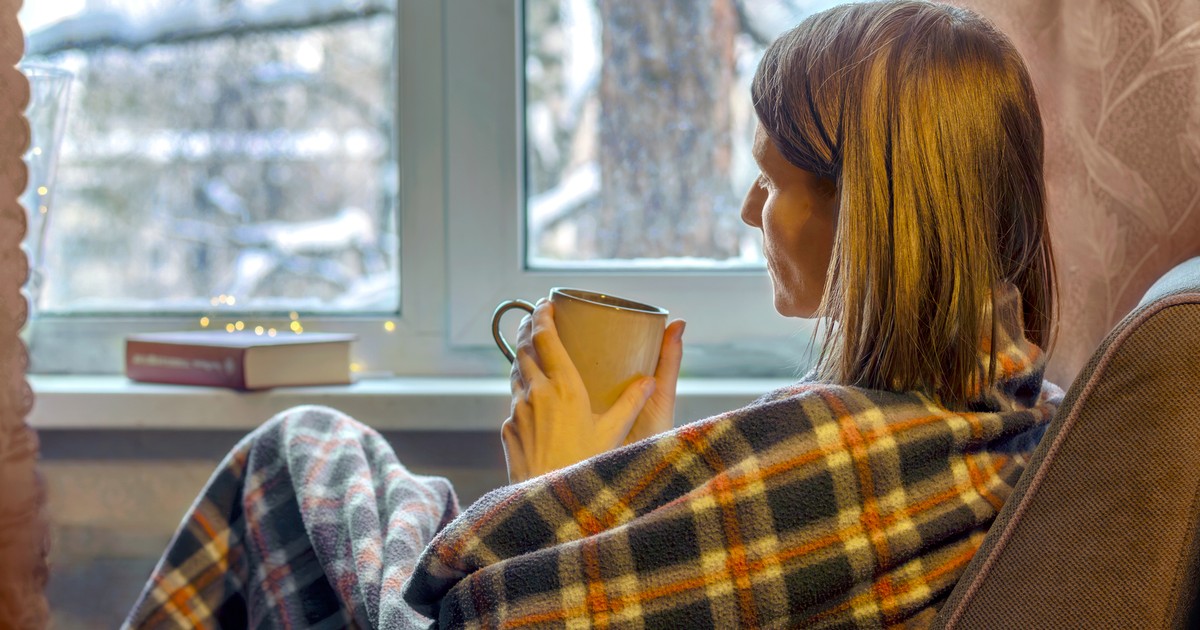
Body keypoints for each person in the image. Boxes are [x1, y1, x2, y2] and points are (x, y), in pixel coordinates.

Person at [125, 1, 1060, 627]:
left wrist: (562, 488)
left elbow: (474, 608)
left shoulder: (843, 449)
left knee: (298, 452)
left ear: (868, 210)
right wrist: (613, 489)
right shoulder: (1011, 423)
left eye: (771, 180)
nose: (748, 211)